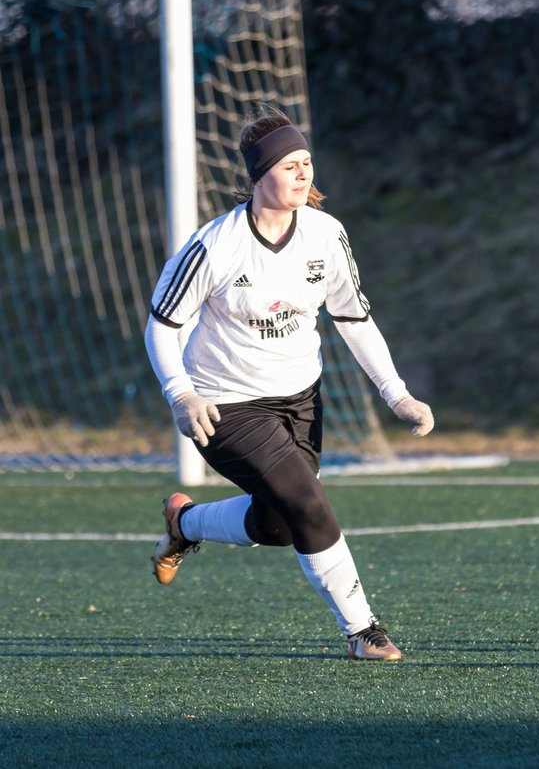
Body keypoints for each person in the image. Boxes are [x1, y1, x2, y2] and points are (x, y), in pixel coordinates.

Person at [144, 105, 435, 661]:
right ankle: (364, 631)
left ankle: (184, 522)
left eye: (307, 162)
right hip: (225, 405)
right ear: (259, 175)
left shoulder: (327, 235)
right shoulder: (214, 246)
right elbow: (162, 326)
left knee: (279, 525)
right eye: (289, 164)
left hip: (300, 398)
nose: (303, 174)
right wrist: (181, 392)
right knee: (309, 503)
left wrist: (396, 393)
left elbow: (354, 318)